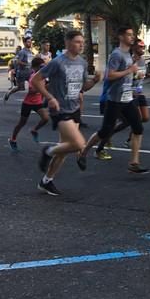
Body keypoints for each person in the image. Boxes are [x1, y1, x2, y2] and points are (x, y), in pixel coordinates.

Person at [33, 30, 101, 196]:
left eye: (82, 42)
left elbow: (82, 88)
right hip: (60, 109)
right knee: (78, 144)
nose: (81, 45)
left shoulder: (82, 63)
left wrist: (94, 81)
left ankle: (46, 181)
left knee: (63, 151)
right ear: (68, 43)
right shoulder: (57, 62)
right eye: (77, 42)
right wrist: (50, 98)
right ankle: (47, 151)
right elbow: (36, 80)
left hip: (75, 108)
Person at [80, 27, 150, 174]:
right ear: (121, 36)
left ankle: (134, 162)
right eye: (129, 35)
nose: (132, 37)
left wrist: (136, 76)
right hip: (114, 100)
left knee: (138, 128)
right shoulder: (117, 54)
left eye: (133, 35)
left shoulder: (128, 54)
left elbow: (128, 76)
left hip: (128, 98)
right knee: (105, 130)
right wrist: (129, 71)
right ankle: (83, 151)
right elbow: (110, 76)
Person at [8, 57, 49, 151]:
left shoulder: (44, 76)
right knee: (21, 123)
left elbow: (46, 86)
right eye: (41, 67)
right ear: (36, 67)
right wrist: (42, 88)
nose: (43, 68)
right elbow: (31, 91)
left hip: (38, 102)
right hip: (28, 103)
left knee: (46, 118)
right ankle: (12, 139)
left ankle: (34, 130)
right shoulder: (33, 77)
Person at [5, 37, 34, 101]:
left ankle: (31, 100)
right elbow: (18, 61)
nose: (30, 43)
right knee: (20, 88)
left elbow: (30, 61)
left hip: (29, 72)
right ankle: (8, 93)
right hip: (21, 72)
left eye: (30, 42)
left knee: (33, 85)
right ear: (24, 43)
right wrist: (26, 64)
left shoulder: (30, 52)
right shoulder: (22, 52)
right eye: (28, 42)